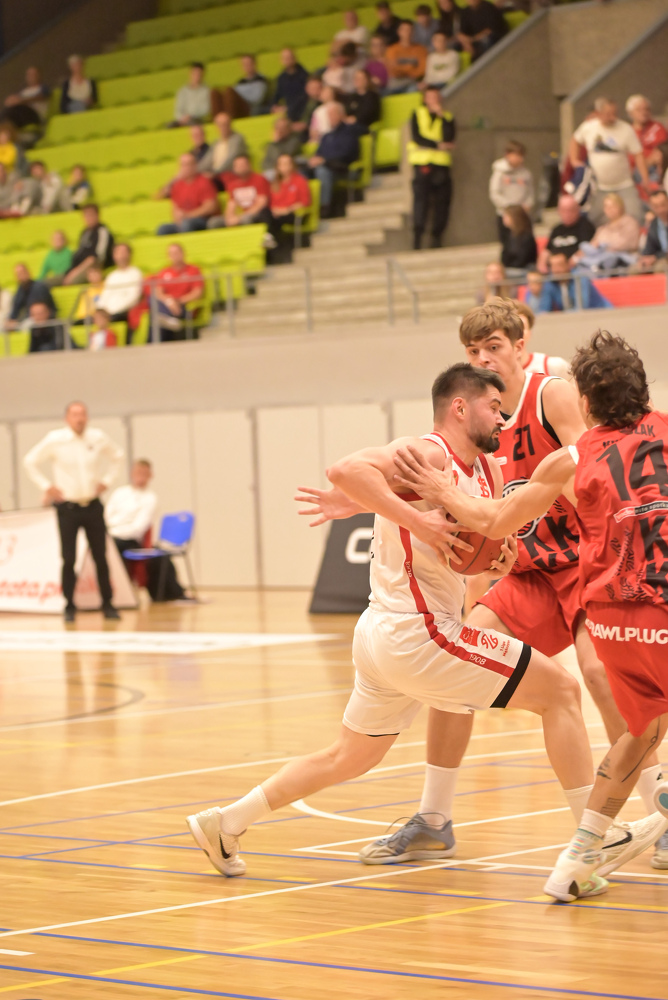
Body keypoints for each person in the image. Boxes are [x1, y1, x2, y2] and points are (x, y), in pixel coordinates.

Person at [188, 361, 634, 883]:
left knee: (348, 756)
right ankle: (593, 839)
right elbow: (345, 471)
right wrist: (415, 519)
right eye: (494, 407)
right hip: (416, 631)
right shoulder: (427, 452)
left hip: (385, 636)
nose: (503, 417)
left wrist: (498, 560)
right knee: (560, 691)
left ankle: (226, 822)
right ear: (459, 407)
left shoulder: (487, 472)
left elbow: (481, 550)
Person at [308, 302, 664, 876]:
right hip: (528, 567)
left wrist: (508, 518)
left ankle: (656, 810)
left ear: (521, 347)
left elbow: (591, 475)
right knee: (457, 661)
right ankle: (434, 817)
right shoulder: (476, 416)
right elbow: (435, 489)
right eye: (473, 350)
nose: (483, 358)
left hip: (584, 563)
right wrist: (361, 500)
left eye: (493, 346)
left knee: (599, 675)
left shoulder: (552, 395)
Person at [23, 401, 123, 622]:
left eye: (83, 414)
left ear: (87, 417)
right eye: (75, 414)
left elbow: (118, 456)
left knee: (100, 556)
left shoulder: (97, 437)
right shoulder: (55, 439)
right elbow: (30, 461)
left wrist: (107, 481)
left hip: (93, 505)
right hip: (68, 508)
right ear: (67, 418)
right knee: (68, 558)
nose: (79, 418)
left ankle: (108, 603)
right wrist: (46, 486)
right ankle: (69, 605)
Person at [105, 459, 190, 602]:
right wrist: (111, 531)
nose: (141, 476)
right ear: (132, 473)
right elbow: (106, 517)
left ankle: (121, 594)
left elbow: (137, 529)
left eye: (144, 473)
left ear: (151, 475)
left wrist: (115, 531)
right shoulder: (119, 493)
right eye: (138, 472)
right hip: (111, 535)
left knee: (117, 546)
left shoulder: (150, 498)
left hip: (130, 541)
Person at [570, 98, 648, 225]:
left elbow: (638, 154)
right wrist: (574, 160)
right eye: (608, 114)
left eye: (615, 113)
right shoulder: (589, 127)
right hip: (599, 186)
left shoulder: (626, 128)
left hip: (624, 183)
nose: (612, 117)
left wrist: (645, 178)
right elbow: (575, 139)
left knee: (635, 216)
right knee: (593, 219)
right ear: (598, 113)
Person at [407, 85, 455, 250]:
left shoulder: (447, 117)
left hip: (441, 164)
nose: (433, 100)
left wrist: (441, 116)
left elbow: (450, 138)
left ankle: (437, 237)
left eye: (436, 97)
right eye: (430, 97)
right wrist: (437, 145)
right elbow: (417, 137)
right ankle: (417, 238)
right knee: (421, 201)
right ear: (424, 99)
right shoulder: (417, 113)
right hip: (422, 163)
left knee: (442, 202)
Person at [307, 102, 360, 218]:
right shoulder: (326, 136)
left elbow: (346, 154)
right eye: (329, 115)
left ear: (341, 114)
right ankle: (307, 209)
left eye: (333, 114)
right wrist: (314, 160)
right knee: (304, 170)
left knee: (322, 171)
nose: (330, 118)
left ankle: (325, 207)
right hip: (327, 165)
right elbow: (319, 153)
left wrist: (325, 160)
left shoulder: (349, 131)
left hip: (343, 168)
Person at [572, 192, 640, 272]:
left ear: (620, 206)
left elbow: (628, 244)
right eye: (606, 206)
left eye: (612, 206)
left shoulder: (630, 223)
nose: (609, 209)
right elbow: (592, 245)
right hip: (599, 261)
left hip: (623, 262)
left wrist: (602, 247)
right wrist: (576, 256)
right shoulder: (602, 229)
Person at [151, 242, 204, 342]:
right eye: (171, 253)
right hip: (167, 305)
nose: (174, 256)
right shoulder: (164, 272)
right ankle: (169, 321)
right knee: (152, 299)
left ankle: (166, 321)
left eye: (176, 253)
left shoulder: (193, 270)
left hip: (184, 306)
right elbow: (158, 292)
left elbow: (197, 293)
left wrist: (178, 301)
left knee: (156, 317)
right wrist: (170, 302)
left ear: (183, 253)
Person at [157, 152, 218, 235]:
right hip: (183, 221)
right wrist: (178, 217)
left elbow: (210, 207)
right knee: (163, 229)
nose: (186, 168)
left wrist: (188, 215)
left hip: (202, 220)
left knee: (187, 224)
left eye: (188, 164)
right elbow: (175, 208)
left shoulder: (204, 182)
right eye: (183, 165)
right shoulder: (177, 185)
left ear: (195, 165)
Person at [489, 140, 534, 246]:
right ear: (507, 155)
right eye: (516, 155)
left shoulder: (526, 173)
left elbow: (530, 193)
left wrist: (527, 205)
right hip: (505, 214)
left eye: (521, 155)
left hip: (522, 214)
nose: (518, 158)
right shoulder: (500, 172)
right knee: (508, 243)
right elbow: (494, 193)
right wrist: (509, 208)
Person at [208, 153, 271, 230]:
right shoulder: (232, 184)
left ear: (249, 165)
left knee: (246, 219)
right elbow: (231, 204)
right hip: (239, 216)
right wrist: (229, 218)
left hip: (256, 214)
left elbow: (261, 203)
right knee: (214, 222)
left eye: (243, 165)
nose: (240, 167)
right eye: (237, 165)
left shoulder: (259, 179)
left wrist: (240, 217)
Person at [538, 194, 595, 272]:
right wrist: (542, 264)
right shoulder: (556, 229)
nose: (567, 214)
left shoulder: (586, 227)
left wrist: (569, 263)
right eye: (563, 210)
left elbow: (588, 249)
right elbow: (547, 250)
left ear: (577, 209)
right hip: (553, 270)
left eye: (570, 210)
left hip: (576, 269)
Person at [536, 253, 612, 312]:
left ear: (568, 265)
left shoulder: (580, 278)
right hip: (575, 320)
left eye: (560, 265)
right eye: (553, 266)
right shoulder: (549, 283)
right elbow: (544, 309)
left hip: (602, 313)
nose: (557, 270)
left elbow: (581, 308)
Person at [513, 299, 570, 378]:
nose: (517, 333)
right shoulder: (497, 373)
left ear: (530, 333)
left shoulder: (554, 366)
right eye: (513, 328)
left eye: (522, 328)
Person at [64, 204, 114, 284]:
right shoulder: (84, 233)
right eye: (86, 215)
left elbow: (96, 258)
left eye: (91, 215)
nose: (88, 218)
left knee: (70, 281)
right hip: (79, 267)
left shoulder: (102, 231)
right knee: (47, 283)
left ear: (97, 215)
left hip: (94, 267)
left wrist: (75, 273)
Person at [269, 153, 312, 246]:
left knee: (273, 221)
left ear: (292, 165)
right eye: (281, 164)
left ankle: (278, 246)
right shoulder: (275, 184)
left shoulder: (300, 180)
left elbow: (305, 201)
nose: (284, 167)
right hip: (277, 214)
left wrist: (287, 210)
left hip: (294, 213)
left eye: (286, 163)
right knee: (265, 217)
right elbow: (272, 203)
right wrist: (276, 210)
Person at [625, 94, 668, 186]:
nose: (644, 112)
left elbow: (661, 153)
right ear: (630, 113)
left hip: (656, 170)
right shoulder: (627, 131)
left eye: (647, 109)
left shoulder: (657, 127)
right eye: (639, 110)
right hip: (633, 173)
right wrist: (645, 163)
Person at [97, 243, 143, 322]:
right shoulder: (111, 276)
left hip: (124, 313)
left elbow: (134, 297)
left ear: (129, 254)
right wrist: (100, 311)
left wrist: (113, 311)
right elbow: (104, 296)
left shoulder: (136, 273)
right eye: (118, 252)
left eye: (123, 252)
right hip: (107, 313)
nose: (120, 256)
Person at [197, 113, 248, 182]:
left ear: (230, 124)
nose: (223, 127)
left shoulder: (237, 139)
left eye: (225, 124)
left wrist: (214, 173)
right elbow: (207, 161)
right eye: (220, 125)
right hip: (215, 176)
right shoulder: (216, 143)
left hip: (230, 176)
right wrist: (195, 172)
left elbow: (230, 160)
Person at [4, 263, 55, 330]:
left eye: (22, 272)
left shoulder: (39, 287)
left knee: (27, 324)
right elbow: (15, 308)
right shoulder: (20, 290)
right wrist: (11, 320)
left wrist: (19, 323)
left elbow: (41, 310)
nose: (21, 276)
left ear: (28, 272)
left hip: (44, 319)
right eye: (18, 274)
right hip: (28, 319)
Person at [385, 20, 427, 94]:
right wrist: (410, 67)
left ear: (413, 32)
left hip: (414, 82)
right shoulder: (391, 50)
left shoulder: (421, 50)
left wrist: (403, 70)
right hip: (396, 83)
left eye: (410, 30)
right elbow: (393, 70)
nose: (408, 32)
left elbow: (421, 70)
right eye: (405, 30)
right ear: (399, 32)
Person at [272, 49, 309, 123]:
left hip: (301, 109)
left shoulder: (304, 75)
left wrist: (288, 108)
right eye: (284, 58)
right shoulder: (281, 78)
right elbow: (277, 94)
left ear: (294, 58)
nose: (287, 60)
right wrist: (274, 105)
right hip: (288, 109)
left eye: (289, 57)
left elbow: (305, 95)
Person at [170, 63, 210, 128]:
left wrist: (191, 116)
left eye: (199, 74)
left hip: (198, 119)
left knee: (194, 123)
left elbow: (206, 110)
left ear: (203, 74)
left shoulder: (207, 91)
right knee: (170, 126)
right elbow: (178, 110)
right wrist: (182, 118)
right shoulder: (182, 91)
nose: (197, 76)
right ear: (190, 73)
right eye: (195, 73)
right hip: (183, 120)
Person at [499, 204, 536, 271]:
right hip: (511, 269)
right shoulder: (509, 235)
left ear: (515, 217)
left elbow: (523, 260)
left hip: (524, 270)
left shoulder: (526, 237)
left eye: (506, 216)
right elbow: (504, 256)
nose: (503, 219)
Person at [343, 70, 381, 134]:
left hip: (366, 125)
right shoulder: (352, 97)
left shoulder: (373, 96)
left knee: (348, 130)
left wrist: (356, 119)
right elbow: (347, 111)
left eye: (360, 78)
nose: (357, 80)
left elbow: (369, 113)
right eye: (356, 78)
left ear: (366, 80)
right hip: (351, 125)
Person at [640, 188, 668, 270]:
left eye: (663, 205)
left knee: (660, 267)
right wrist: (645, 258)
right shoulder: (654, 223)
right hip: (659, 257)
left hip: (662, 259)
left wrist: (656, 257)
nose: (660, 210)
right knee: (635, 269)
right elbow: (649, 247)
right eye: (656, 206)